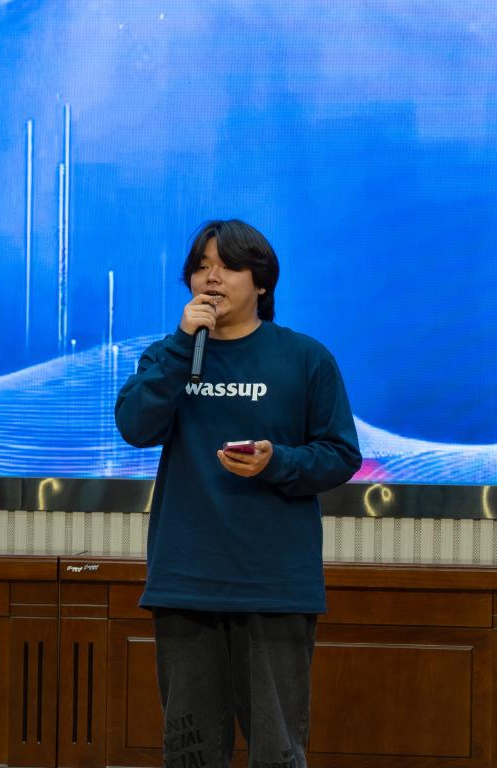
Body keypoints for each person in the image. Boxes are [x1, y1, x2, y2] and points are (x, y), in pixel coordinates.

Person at [115, 219, 362, 768]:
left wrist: (278, 462)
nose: (211, 278)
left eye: (227, 266)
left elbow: (342, 454)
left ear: (262, 282)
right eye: (201, 267)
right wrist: (183, 345)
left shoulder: (305, 358)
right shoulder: (167, 356)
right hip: (186, 581)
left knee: (277, 752)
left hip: (274, 584)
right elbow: (135, 426)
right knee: (191, 755)